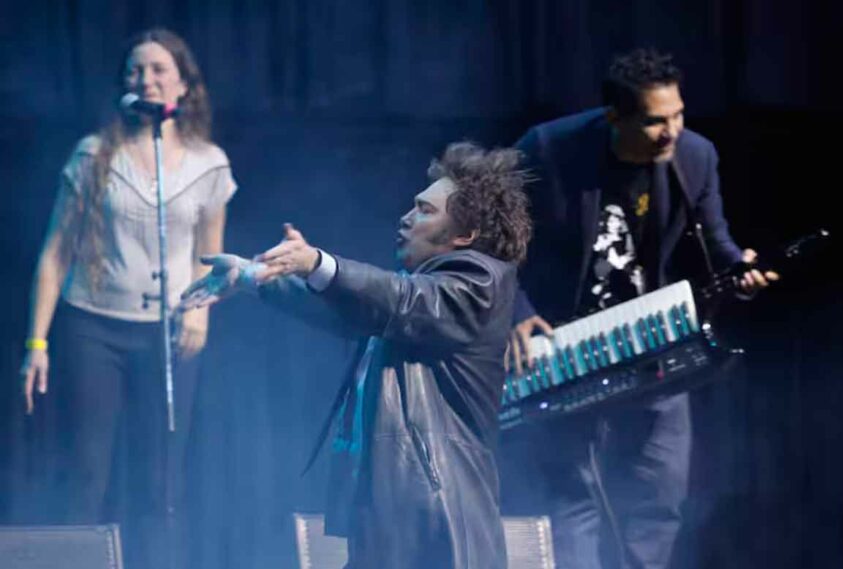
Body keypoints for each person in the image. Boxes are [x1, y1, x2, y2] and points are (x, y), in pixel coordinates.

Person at [180, 142, 532, 569]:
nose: (406, 217)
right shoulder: (414, 297)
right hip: (394, 513)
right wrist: (253, 277)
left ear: (464, 235)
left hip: (439, 520)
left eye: (425, 210)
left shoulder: (481, 282)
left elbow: (401, 300)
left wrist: (316, 262)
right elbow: (348, 311)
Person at [501, 48, 778, 568]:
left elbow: (716, 243)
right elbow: (490, 243)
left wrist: (743, 270)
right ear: (615, 117)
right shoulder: (547, 150)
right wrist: (517, 311)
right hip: (567, 349)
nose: (671, 131)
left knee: (657, 499)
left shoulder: (695, 157)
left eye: (677, 115)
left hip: (651, 344)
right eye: (655, 121)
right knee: (571, 501)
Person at [19, 28, 237, 569]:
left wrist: (200, 317)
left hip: (167, 331)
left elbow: (210, 259)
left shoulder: (209, 164)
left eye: (160, 69)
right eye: (137, 70)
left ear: (184, 85)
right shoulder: (94, 156)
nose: (147, 78)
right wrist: (36, 342)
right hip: (94, 325)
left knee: (162, 477)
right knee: (88, 468)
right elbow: (54, 254)